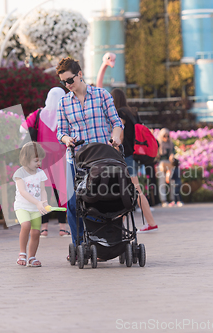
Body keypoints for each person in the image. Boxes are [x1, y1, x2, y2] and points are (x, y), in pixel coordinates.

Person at [56, 57, 123, 251]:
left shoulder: (102, 95)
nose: (67, 85)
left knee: (98, 199)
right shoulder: (63, 103)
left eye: (70, 80)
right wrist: (66, 139)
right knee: (72, 203)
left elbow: (116, 123)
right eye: (63, 82)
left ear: (80, 74)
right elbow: (61, 131)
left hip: (101, 157)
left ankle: (101, 243)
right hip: (76, 159)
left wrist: (116, 138)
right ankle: (79, 246)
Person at [20, 87, 70, 238]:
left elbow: (23, 129)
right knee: (62, 193)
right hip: (62, 158)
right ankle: (63, 228)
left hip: (41, 159)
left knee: (43, 192)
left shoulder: (39, 113)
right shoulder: (66, 114)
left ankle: (44, 228)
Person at [110, 88, 158, 233]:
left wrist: (113, 147)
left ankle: (150, 222)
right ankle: (120, 223)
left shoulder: (120, 113)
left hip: (126, 155)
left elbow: (121, 136)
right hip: (134, 155)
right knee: (128, 189)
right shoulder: (132, 112)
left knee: (135, 189)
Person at [13, 142, 48, 267]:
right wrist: (38, 202)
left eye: (40, 161)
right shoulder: (19, 173)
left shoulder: (40, 173)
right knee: (26, 225)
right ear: (26, 159)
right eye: (36, 161)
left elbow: (43, 190)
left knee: (35, 232)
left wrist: (44, 203)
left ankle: (32, 256)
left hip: (35, 208)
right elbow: (22, 192)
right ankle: (22, 253)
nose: (39, 164)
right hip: (22, 206)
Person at [157, 128, 175, 207]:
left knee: (172, 182)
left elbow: (173, 153)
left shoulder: (171, 144)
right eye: (164, 136)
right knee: (162, 183)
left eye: (167, 136)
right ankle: (163, 200)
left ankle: (172, 199)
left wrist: (172, 156)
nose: (166, 138)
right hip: (161, 164)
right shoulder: (158, 143)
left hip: (169, 164)